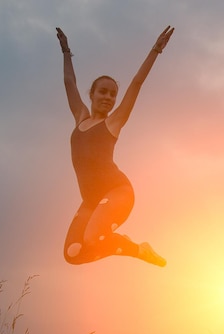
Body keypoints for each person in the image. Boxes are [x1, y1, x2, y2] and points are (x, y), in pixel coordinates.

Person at [56, 25, 173, 267]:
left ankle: (131, 247)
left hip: (118, 192)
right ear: (92, 93)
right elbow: (69, 82)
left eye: (113, 94)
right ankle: (137, 249)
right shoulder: (81, 117)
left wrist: (155, 50)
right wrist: (66, 51)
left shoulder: (114, 123)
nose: (108, 97)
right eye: (103, 92)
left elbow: (137, 83)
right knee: (73, 253)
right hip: (91, 201)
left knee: (92, 237)